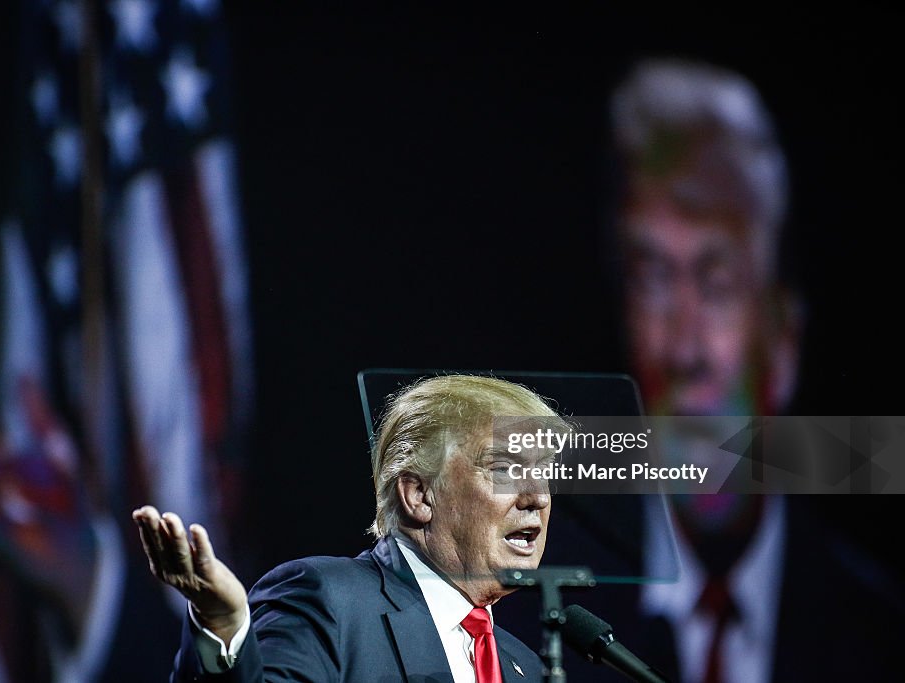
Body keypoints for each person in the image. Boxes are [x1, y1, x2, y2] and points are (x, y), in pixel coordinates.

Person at [528, 57, 902, 683]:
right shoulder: (531, 627)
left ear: (783, 337)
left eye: (718, 282)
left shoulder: (882, 641)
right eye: (653, 281)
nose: (684, 350)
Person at [133, 374, 575, 682]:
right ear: (419, 495)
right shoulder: (328, 600)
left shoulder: (527, 666)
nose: (536, 496)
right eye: (504, 469)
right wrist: (224, 625)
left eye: (544, 475)